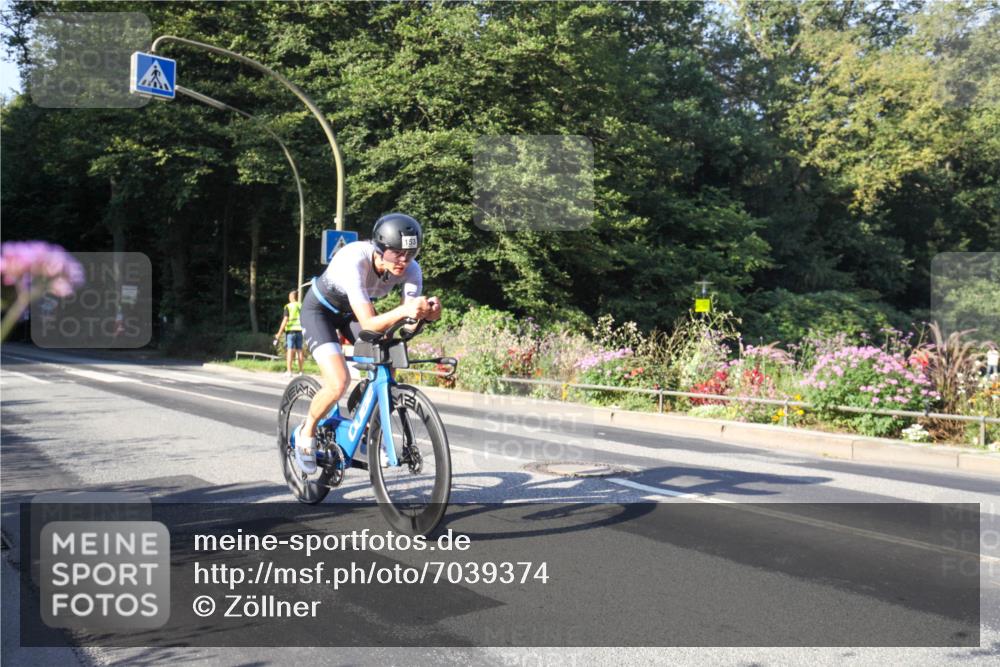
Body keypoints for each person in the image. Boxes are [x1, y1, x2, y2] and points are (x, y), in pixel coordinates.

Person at [293, 213, 442, 474]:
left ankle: (368, 429)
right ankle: (307, 432)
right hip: (320, 311)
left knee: (388, 361)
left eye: (411, 252)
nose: (404, 260)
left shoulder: (412, 270)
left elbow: (405, 328)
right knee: (338, 382)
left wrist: (424, 317)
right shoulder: (355, 259)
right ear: (380, 248)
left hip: (351, 314)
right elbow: (371, 323)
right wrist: (407, 309)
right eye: (397, 253)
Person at [274, 290, 305, 377]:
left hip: (291, 331)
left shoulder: (288, 306)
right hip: (300, 330)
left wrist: (279, 333)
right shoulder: (301, 305)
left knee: (290, 351)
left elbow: (285, 320)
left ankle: (289, 371)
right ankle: (301, 371)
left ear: (291, 297)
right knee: (300, 350)